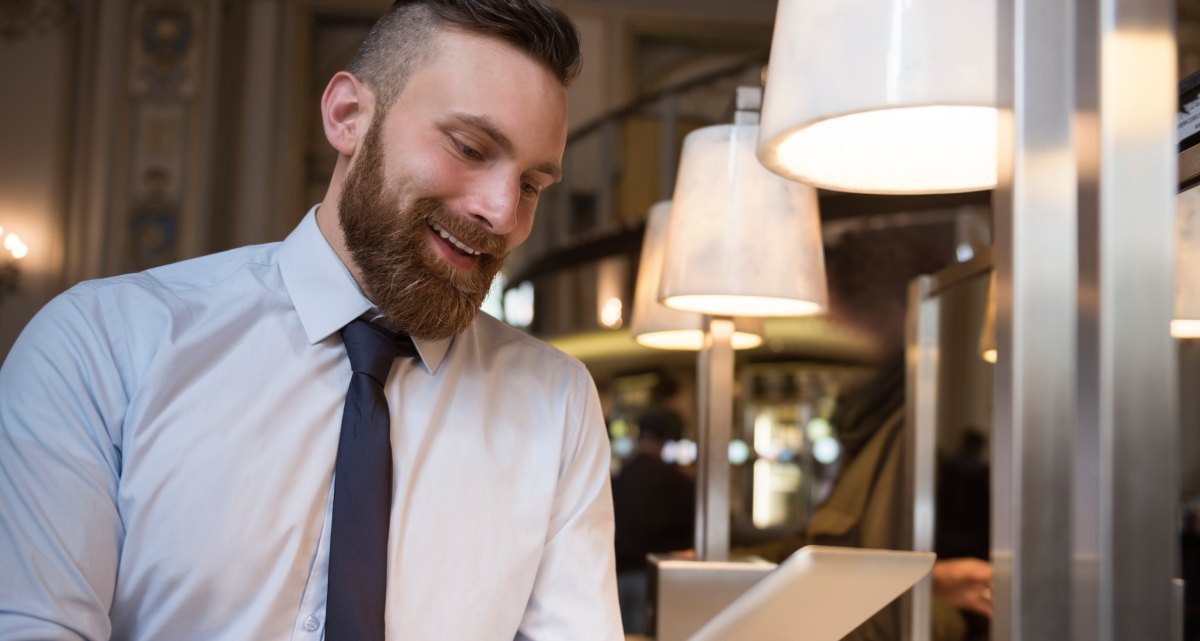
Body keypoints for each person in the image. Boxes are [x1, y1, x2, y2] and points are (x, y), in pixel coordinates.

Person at [0, 2, 622, 640]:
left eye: (531, 185)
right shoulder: (101, 345)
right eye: (469, 147)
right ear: (348, 116)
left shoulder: (557, 403)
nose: (501, 212)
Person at [741, 225, 993, 641]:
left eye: (839, 319)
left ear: (897, 315)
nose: (827, 332)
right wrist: (724, 566)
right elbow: (826, 554)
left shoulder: (919, 432)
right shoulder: (873, 429)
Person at [611, 408, 695, 634]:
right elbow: (692, 532)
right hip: (653, 578)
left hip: (613, 576)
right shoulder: (679, 483)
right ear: (667, 439)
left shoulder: (617, 478)